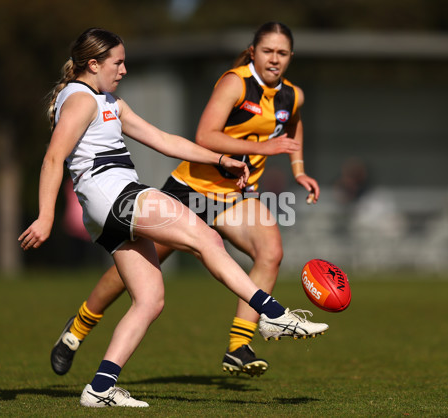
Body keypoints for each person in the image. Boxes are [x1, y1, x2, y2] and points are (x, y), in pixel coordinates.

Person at [20, 27, 328, 408]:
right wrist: (46, 216)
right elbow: (53, 158)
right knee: (207, 240)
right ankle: (272, 314)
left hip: (105, 210)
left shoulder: (109, 101)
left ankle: (100, 388)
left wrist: (218, 159)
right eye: (118, 62)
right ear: (93, 63)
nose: (124, 70)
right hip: (116, 196)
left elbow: (164, 140)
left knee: (149, 300)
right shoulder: (81, 99)